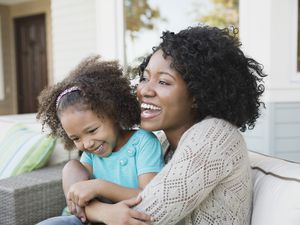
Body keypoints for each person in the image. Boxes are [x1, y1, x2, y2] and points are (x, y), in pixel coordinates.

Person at [38, 24, 266, 225]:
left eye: (164, 81)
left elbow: (145, 216)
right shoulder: (166, 140)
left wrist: (96, 198)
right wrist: (92, 201)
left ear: (197, 93)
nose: (144, 90)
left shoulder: (215, 135)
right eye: (145, 77)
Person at [36, 56, 164, 224]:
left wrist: (99, 186)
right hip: (88, 220)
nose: (87, 143)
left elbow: (149, 196)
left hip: (128, 220)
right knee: (70, 167)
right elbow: (78, 191)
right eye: (75, 138)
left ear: (114, 114)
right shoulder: (91, 154)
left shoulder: (143, 142)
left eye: (92, 130)